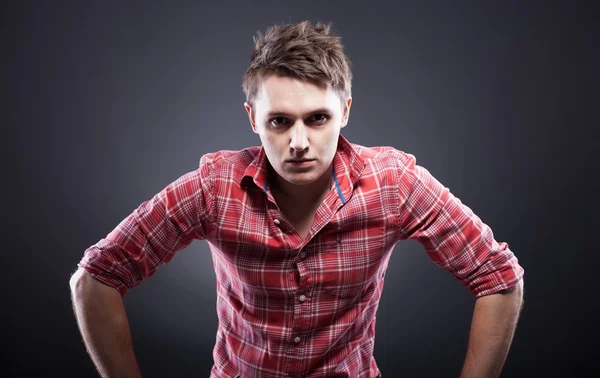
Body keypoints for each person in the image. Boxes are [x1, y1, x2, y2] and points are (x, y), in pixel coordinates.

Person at [70, 21, 525, 378]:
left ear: (345, 111)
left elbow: (499, 278)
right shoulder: (215, 187)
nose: (299, 142)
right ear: (253, 119)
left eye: (318, 118)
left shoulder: (393, 184)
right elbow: (95, 279)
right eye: (280, 121)